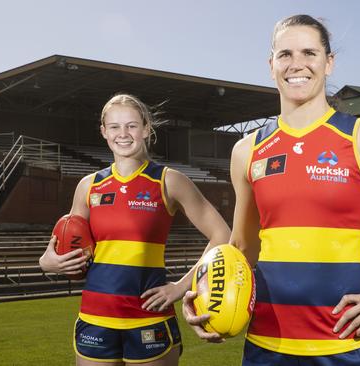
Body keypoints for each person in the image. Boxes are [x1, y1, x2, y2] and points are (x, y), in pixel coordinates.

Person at [182, 14, 360, 365]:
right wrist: (207, 294)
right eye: (285, 55)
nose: (296, 64)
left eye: (309, 53)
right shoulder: (246, 151)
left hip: (348, 349)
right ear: (271, 66)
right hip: (267, 349)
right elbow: (242, 247)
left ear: (329, 63)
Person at [39, 94, 230, 366]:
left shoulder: (169, 181)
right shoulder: (88, 186)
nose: (123, 134)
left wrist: (180, 286)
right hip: (95, 319)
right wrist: (47, 262)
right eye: (114, 127)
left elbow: (222, 235)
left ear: (146, 129)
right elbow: (74, 249)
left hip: (149, 318)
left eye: (131, 125)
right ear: (104, 131)